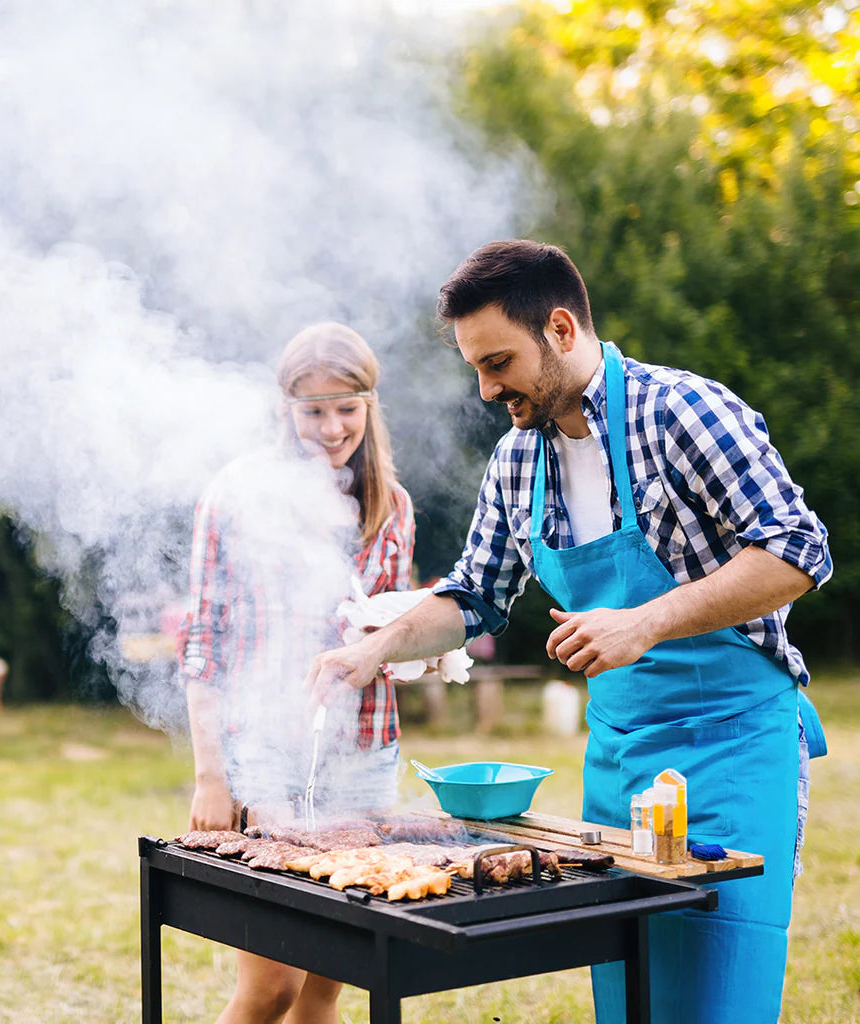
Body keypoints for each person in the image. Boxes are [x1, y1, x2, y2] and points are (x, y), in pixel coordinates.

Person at [304, 240, 831, 1024]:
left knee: (717, 995)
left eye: (498, 362)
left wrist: (645, 622)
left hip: (731, 747)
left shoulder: (685, 412)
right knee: (628, 994)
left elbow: (799, 550)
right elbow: (475, 597)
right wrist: (374, 648)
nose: (486, 389)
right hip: (618, 760)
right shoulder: (518, 460)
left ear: (558, 328)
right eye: (475, 368)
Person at [177, 321, 414, 1024]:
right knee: (270, 987)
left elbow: (386, 632)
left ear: (369, 404)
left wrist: (417, 645)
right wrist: (212, 776)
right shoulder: (236, 493)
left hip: (364, 755)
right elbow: (202, 643)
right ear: (286, 410)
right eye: (312, 409)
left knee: (328, 980)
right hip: (264, 758)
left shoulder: (391, 506)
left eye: (346, 406)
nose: (331, 426)